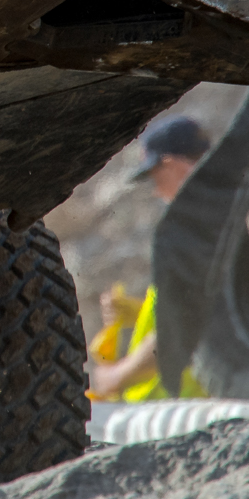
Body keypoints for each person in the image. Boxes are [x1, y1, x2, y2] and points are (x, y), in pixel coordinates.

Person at [89, 116, 211, 401]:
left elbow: (180, 330)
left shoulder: (197, 232)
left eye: (156, 177)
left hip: (191, 410)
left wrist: (114, 377)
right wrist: (137, 312)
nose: (156, 190)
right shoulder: (225, 222)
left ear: (173, 166)